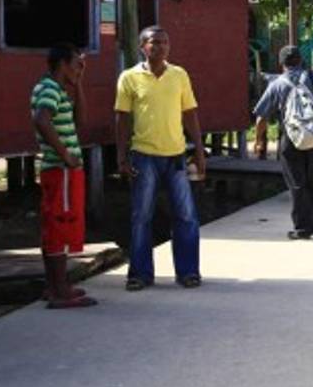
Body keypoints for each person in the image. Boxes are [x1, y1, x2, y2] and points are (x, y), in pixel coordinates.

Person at [114, 26, 205, 291]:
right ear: (143, 46)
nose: (161, 47)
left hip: (176, 155)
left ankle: (188, 272)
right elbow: (121, 118)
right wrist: (121, 156)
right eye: (155, 42)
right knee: (142, 216)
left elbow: (190, 114)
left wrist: (199, 152)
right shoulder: (129, 78)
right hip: (143, 156)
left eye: (165, 42)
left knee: (186, 216)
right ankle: (140, 274)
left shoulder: (179, 75)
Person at [31, 43, 97, 308]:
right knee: (61, 224)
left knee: (54, 226)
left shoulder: (56, 89)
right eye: (76, 64)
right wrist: (66, 154)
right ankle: (60, 292)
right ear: (62, 64)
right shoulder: (48, 88)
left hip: (57, 170)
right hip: (61, 170)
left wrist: (78, 83)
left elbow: (80, 121)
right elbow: (41, 119)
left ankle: (55, 286)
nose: (79, 69)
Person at [253, 46, 313, 240]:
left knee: (296, 182)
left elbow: (261, 118)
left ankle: (301, 227)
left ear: (281, 64)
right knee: (311, 180)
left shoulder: (278, 84)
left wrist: (259, 140)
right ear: (301, 60)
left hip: (291, 139)